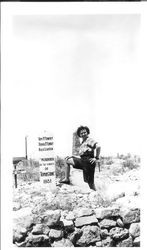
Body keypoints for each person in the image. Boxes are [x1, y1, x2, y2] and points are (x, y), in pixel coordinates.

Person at [60, 126, 101, 191]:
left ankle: (97, 196)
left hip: (89, 163)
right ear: (79, 135)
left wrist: (96, 158)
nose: (83, 134)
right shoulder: (83, 143)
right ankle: (66, 179)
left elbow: (98, 147)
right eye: (81, 133)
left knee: (91, 184)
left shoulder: (89, 140)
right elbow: (83, 155)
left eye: (85, 132)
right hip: (83, 161)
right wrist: (73, 156)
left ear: (87, 132)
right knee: (67, 160)